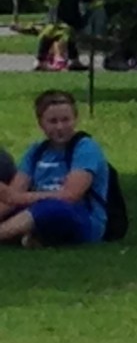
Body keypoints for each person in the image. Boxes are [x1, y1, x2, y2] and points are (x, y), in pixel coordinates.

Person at [0, 90, 112, 247]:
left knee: (54, 208)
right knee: (18, 209)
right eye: (53, 121)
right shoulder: (36, 151)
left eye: (66, 120)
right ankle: (30, 237)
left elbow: (71, 196)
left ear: (75, 119)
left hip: (79, 216)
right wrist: (11, 199)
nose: (60, 127)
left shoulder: (85, 148)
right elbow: (13, 195)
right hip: (36, 209)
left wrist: (20, 198)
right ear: (41, 124)